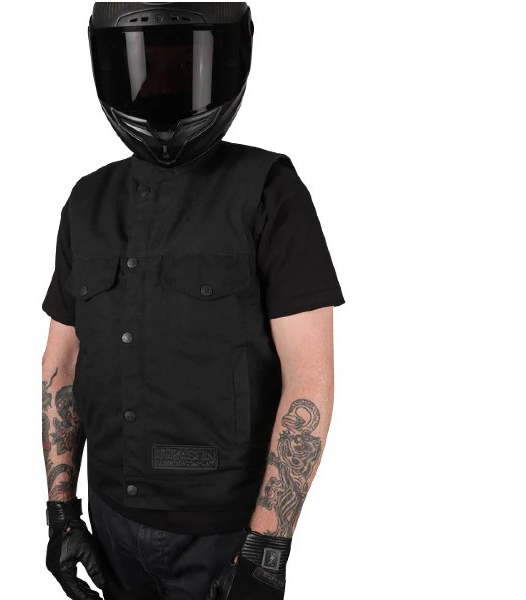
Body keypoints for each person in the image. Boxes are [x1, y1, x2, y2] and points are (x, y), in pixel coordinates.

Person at [40, 4, 344, 599]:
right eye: (144, 64)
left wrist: (267, 550)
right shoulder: (87, 201)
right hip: (109, 519)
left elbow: (309, 378)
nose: (162, 85)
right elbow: (62, 363)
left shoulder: (270, 191)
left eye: (183, 63)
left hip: (224, 533)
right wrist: (61, 511)